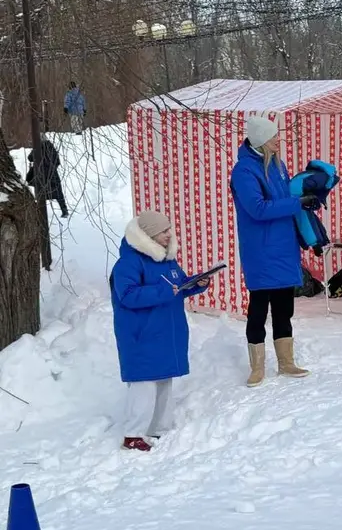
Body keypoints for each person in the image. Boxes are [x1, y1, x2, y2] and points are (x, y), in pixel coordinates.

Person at [110, 211, 213, 452]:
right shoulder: (128, 263)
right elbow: (128, 296)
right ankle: (133, 434)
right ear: (148, 235)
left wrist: (195, 284)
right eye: (163, 231)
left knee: (164, 379)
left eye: (169, 229)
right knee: (143, 383)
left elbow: (176, 287)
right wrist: (164, 291)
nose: (170, 234)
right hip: (141, 333)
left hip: (166, 331)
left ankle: (157, 427)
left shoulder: (166, 259)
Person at [230, 115, 314, 387]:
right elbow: (258, 209)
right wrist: (296, 203)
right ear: (261, 141)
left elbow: (285, 199)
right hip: (261, 250)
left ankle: (286, 362)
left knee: (284, 307)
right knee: (258, 308)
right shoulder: (243, 171)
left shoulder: (278, 165)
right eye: (273, 136)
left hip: (284, 245)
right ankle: (257, 367)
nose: (279, 139)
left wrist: (308, 194)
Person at [26, 136, 69, 218]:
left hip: (43, 175)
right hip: (50, 175)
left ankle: (40, 213)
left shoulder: (41, 148)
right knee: (57, 193)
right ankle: (64, 211)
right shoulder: (48, 148)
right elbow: (57, 161)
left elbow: (30, 158)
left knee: (42, 194)